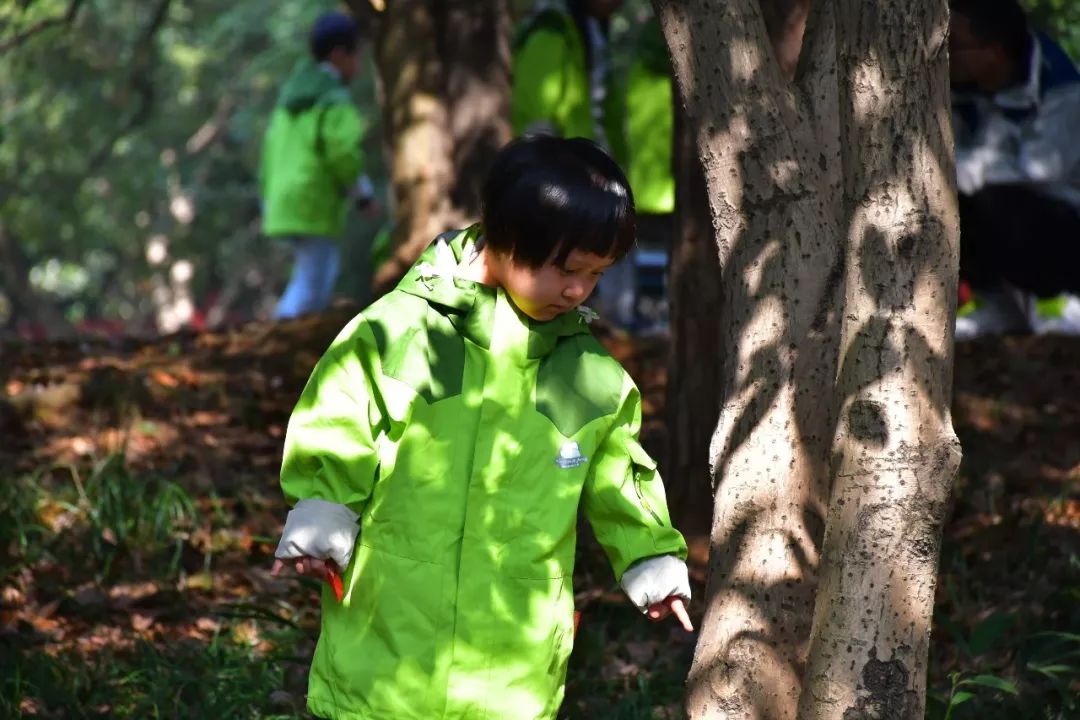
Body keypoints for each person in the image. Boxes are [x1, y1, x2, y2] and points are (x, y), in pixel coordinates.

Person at [271, 136, 692, 720]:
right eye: (568, 269)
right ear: (503, 235)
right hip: (387, 648)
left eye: (595, 275)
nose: (578, 290)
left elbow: (620, 472)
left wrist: (650, 558)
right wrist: (322, 509)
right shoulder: (400, 333)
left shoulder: (588, 378)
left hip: (511, 673)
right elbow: (339, 417)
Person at [949, 0, 1080, 338]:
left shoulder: (1062, 89)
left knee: (1002, 204)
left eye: (955, 46)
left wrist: (969, 166)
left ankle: (1057, 302)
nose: (946, 53)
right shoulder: (960, 87)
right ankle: (995, 304)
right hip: (1002, 201)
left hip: (1062, 217)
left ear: (992, 51)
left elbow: (1039, 171)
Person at [511, 0, 643, 328]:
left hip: (590, 170)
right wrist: (542, 173)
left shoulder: (589, 30)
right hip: (564, 176)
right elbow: (536, 108)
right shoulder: (553, 29)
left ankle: (611, 322)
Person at [259, 11, 375, 320]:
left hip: (283, 199)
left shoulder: (292, 97)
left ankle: (282, 340)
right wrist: (363, 194)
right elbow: (342, 153)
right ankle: (280, 341)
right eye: (357, 55)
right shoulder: (333, 98)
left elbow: (269, 151)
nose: (359, 64)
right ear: (339, 54)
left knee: (310, 273)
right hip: (313, 200)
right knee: (315, 282)